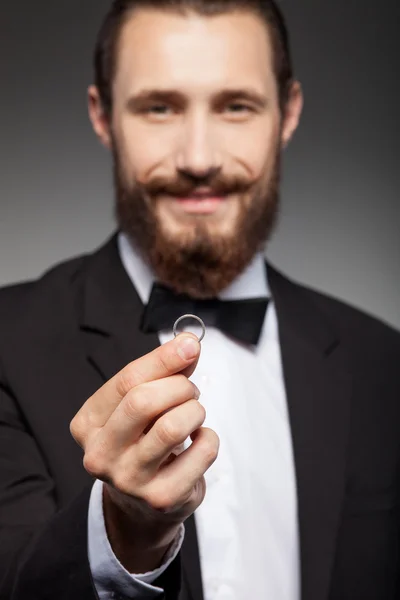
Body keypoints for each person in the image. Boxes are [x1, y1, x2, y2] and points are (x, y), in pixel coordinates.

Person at [0, 1, 399, 599]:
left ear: (287, 113)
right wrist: (124, 535)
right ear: (103, 115)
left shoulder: (383, 362)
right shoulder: (7, 339)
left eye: (236, 106)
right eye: (159, 107)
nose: (198, 159)